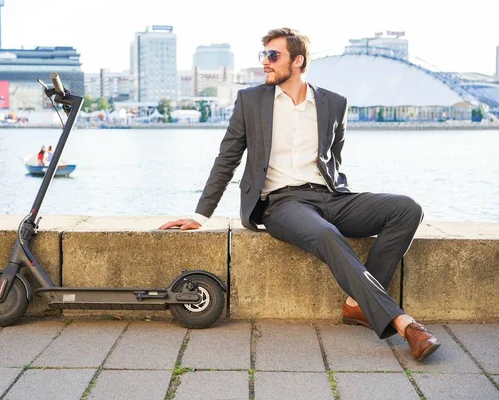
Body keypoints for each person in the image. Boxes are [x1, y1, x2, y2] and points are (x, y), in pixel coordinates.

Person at [159, 28, 440, 362]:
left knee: (407, 209)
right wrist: (200, 215)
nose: (265, 62)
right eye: (263, 54)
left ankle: (358, 306)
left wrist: (342, 196)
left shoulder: (334, 103)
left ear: (298, 61)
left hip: (329, 196)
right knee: (326, 234)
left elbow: (333, 158)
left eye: (273, 56)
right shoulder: (251, 101)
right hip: (282, 203)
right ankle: (405, 324)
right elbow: (227, 159)